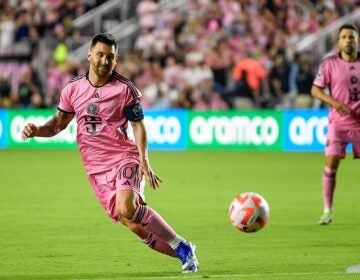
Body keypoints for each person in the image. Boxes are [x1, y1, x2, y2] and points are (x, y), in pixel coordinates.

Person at [21, 33, 199, 273]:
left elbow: (138, 124)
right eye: (101, 55)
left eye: (111, 57)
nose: (105, 61)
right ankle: (185, 252)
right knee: (134, 225)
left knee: (128, 207)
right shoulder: (73, 89)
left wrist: (144, 159)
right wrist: (37, 131)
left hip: (124, 157)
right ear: (89, 55)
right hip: (95, 169)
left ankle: (179, 243)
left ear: (116, 60)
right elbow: (57, 124)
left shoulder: (125, 89)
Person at [311, 24, 360, 225]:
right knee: (331, 164)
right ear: (339, 41)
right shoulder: (329, 63)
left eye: (351, 36)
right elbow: (315, 90)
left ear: (357, 40)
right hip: (338, 124)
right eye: (344, 37)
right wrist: (334, 102)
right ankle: (327, 210)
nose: (348, 40)